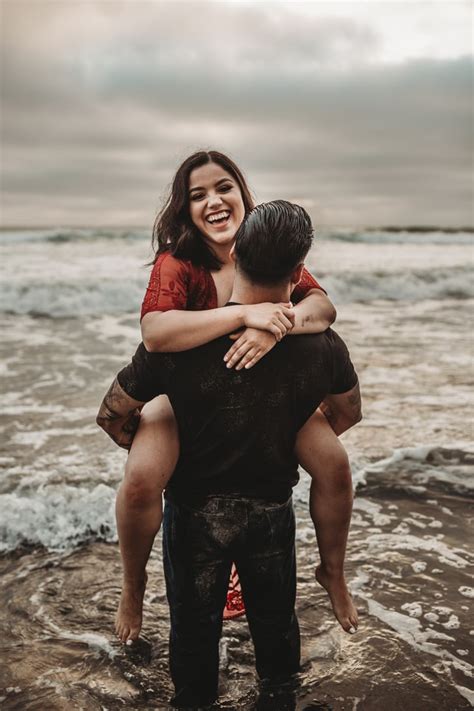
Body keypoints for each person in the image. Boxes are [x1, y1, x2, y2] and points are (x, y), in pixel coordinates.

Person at [97, 200, 362, 708]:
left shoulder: (177, 348)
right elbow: (347, 413)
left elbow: (111, 414)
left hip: (195, 514)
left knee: (193, 645)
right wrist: (288, 424)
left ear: (236, 251)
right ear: (299, 269)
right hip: (269, 512)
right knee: (278, 646)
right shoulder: (324, 347)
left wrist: (152, 435)